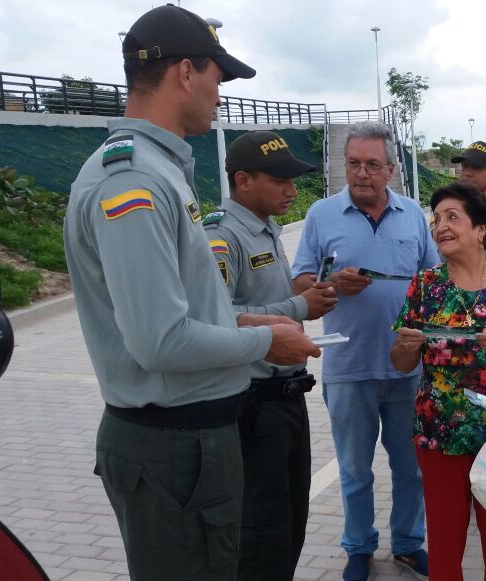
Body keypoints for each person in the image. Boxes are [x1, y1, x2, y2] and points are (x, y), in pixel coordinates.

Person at [62, 5, 320, 579]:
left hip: (190, 441)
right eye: (217, 79)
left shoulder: (158, 170)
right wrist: (263, 345)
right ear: (185, 73)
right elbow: (160, 342)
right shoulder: (134, 181)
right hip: (172, 449)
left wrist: (252, 325)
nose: (220, 95)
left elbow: (188, 311)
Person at [291, 121, 438, 581]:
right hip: (348, 367)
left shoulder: (413, 214)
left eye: (372, 165)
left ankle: (409, 544)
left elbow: (433, 281)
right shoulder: (321, 215)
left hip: (407, 368)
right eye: (353, 163)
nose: (362, 173)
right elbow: (299, 283)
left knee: (411, 468)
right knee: (355, 470)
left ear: (391, 169)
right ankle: (358, 549)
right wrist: (329, 285)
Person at [391, 182, 486, 581]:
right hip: (438, 433)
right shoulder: (425, 285)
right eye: (436, 219)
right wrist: (408, 346)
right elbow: (399, 361)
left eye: (452, 217)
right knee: (444, 544)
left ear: (481, 228)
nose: (440, 226)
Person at [204, 130, 339, 579]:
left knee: (289, 520)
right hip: (252, 403)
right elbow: (218, 315)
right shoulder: (222, 236)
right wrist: (297, 308)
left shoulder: (265, 228)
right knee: (260, 528)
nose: (291, 190)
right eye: (279, 179)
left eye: (292, 179)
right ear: (243, 180)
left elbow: (261, 300)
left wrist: (302, 292)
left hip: (285, 397)